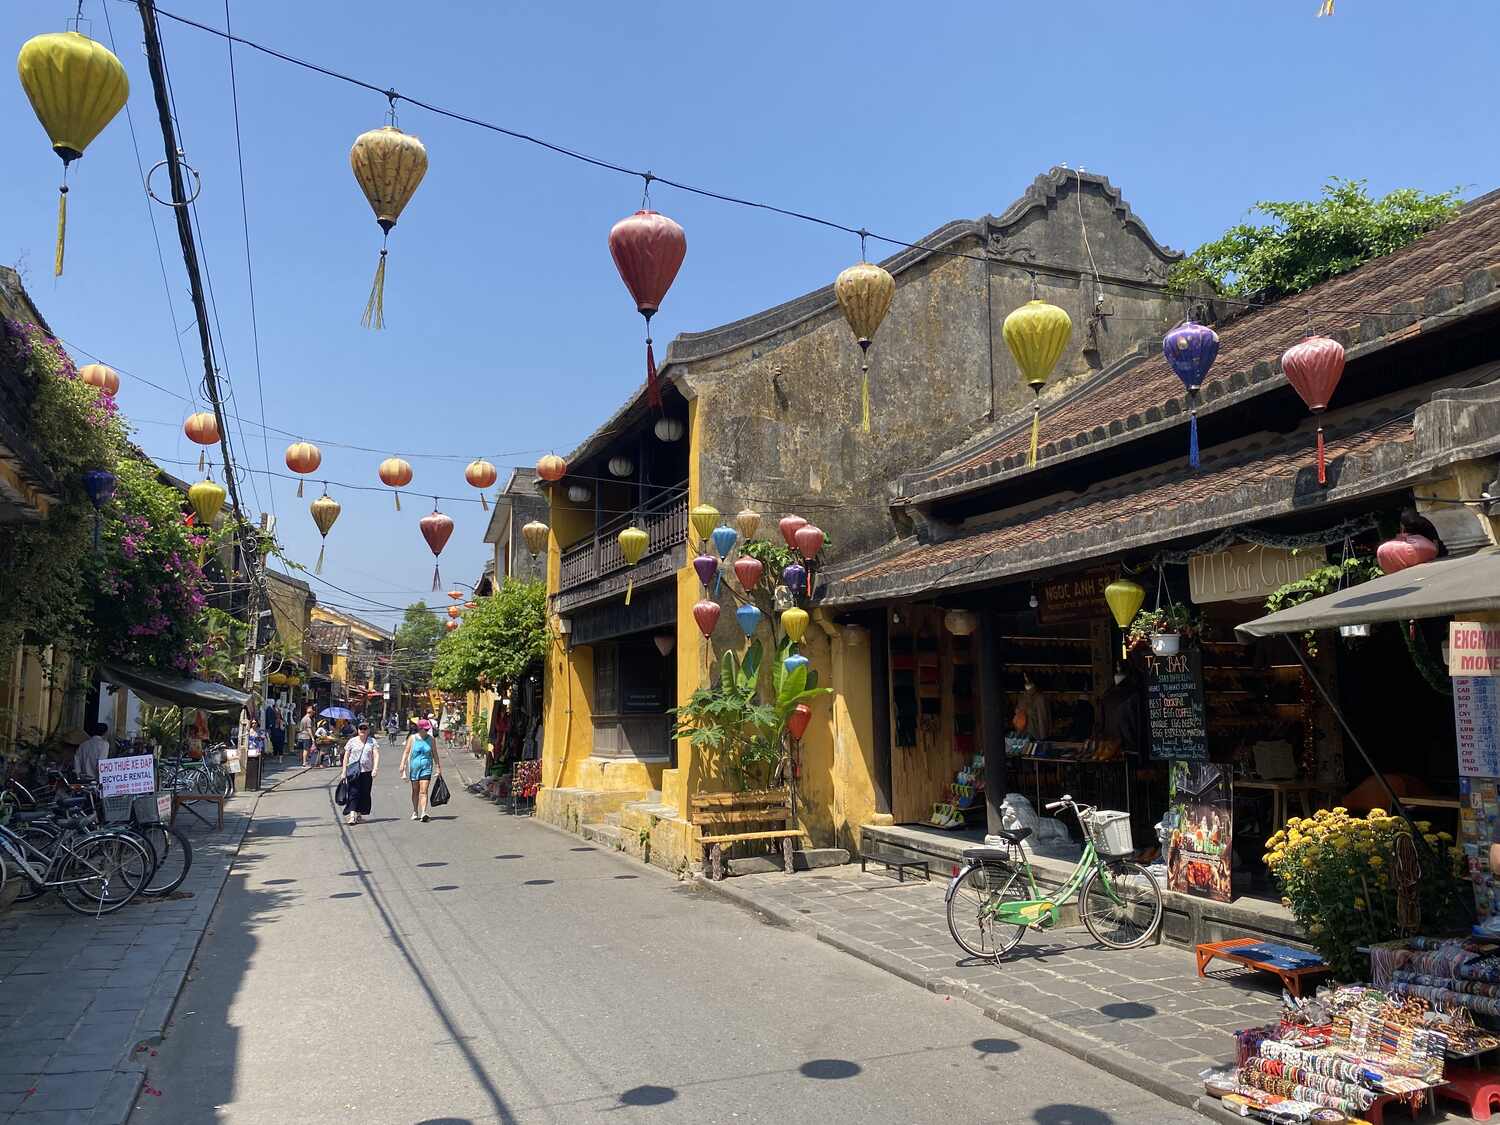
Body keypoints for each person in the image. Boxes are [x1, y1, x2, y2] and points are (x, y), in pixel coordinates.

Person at [399, 719, 442, 822]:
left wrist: (438, 767)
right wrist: (402, 764)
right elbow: (406, 752)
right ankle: (415, 811)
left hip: (426, 768)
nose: (427, 731)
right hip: (414, 768)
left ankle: (423, 812)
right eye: (425, 729)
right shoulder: (412, 738)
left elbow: (435, 753)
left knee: (424, 790)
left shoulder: (431, 739)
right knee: (415, 790)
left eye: (428, 729)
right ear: (420, 729)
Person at [340, 721, 380, 825]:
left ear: (368, 730)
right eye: (360, 728)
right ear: (357, 730)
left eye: (365, 728)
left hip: (366, 771)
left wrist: (375, 768)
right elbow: (346, 756)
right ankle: (352, 816)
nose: (362, 730)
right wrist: (344, 771)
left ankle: (359, 815)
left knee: (364, 793)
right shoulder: (352, 741)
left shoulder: (372, 741)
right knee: (353, 792)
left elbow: (376, 755)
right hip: (353, 772)